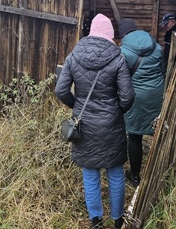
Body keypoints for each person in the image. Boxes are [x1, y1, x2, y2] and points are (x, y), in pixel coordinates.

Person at [55, 13, 135, 229]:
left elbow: (60, 90)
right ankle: (118, 220)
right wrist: (116, 111)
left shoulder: (74, 56)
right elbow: (128, 97)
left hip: (85, 124)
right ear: (110, 34)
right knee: (116, 172)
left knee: (90, 173)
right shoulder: (118, 58)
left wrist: (77, 106)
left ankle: (95, 221)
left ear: (91, 33)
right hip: (112, 125)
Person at [118, 18, 165, 187]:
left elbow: (120, 79)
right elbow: (163, 69)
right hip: (157, 93)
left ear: (122, 34)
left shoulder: (123, 52)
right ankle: (159, 171)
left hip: (137, 96)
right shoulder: (157, 47)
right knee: (158, 131)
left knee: (135, 136)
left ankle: (135, 175)